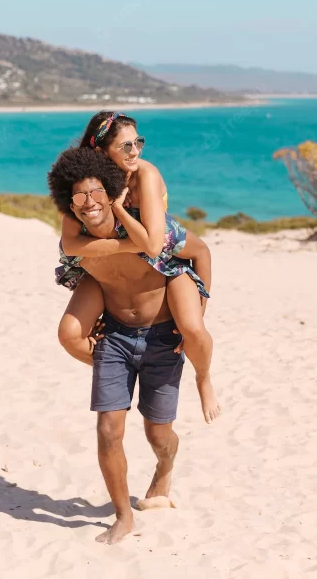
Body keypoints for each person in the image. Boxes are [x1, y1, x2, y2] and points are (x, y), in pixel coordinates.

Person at [48, 147, 213, 545]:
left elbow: (200, 251)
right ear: (68, 204)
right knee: (108, 430)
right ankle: (123, 516)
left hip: (163, 339)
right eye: (79, 197)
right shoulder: (78, 242)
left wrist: (201, 305)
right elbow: (75, 260)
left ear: (111, 193)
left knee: (159, 437)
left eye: (95, 193)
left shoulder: (147, 232)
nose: (88, 203)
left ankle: (165, 466)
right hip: (116, 339)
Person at [59, 111, 221, 424]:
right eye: (125, 146)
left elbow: (152, 244)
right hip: (128, 247)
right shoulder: (86, 184)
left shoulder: (145, 174)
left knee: (193, 327)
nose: (135, 151)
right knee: (69, 334)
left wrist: (200, 308)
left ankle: (203, 379)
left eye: (138, 142)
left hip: (158, 237)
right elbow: (71, 245)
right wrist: (124, 243)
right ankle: (118, 368)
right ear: (101, 151)